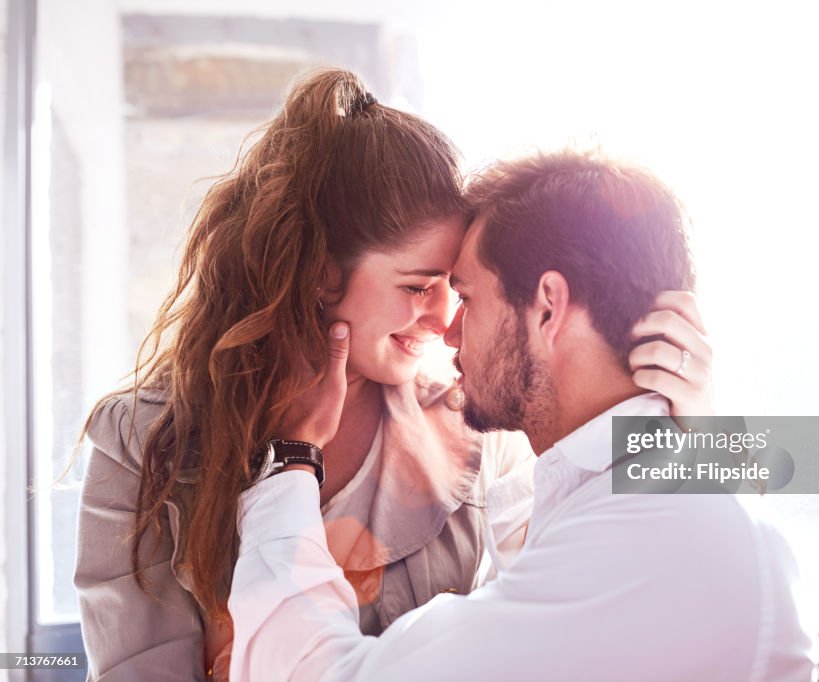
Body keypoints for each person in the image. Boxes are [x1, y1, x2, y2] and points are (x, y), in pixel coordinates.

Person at [73, 70, 713, 680]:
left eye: (457, 288)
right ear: (320, 272)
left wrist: (704, 431)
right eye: (417, 286)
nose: (444, 319)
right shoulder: (139, 439)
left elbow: (606, 578)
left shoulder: (477, 418)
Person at [227, 150, 819, 681]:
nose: (449, 331)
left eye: (467, 297)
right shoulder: (640, 494)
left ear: (547, 307)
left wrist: (291, 455)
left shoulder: (647, 536)